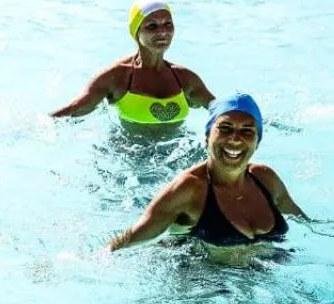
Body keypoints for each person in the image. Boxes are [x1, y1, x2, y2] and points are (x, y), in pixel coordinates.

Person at [108, 94, 307, 250]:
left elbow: (306, 225)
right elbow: (135, 236)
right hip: (205, 285)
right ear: (207, 136)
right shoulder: (189, 189)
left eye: (247, 131)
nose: (235, 139)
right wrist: (100, 256)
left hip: (265, 276)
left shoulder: (266, 179)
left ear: (257, 141)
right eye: (225, 128)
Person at [52, 0, 215, 126]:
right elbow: (75, 110)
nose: (163, 32)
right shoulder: (116, 77)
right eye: (152, 26)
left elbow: (220, 111)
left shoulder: (185, 78)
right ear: (136, 32)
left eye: (168, 24)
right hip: (128, 160)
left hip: (176, 157)